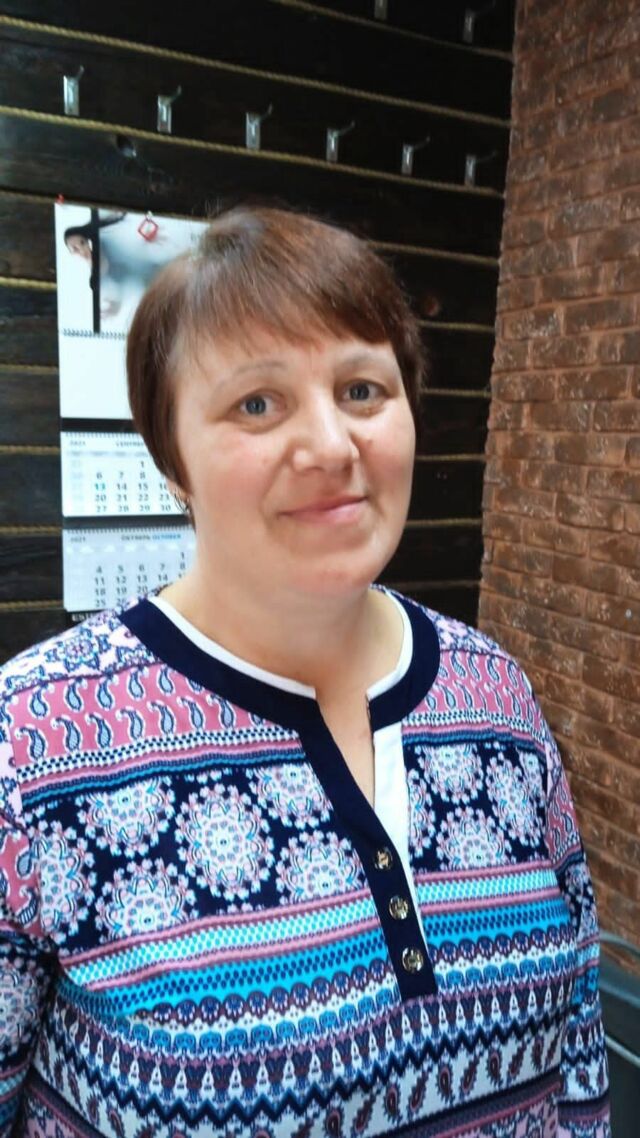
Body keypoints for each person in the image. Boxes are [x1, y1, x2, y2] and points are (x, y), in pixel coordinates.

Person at [0, 205, 610, 1138]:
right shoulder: (34, 741)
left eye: (362, 390)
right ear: (171, 458)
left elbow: (579, 1054)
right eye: (257, 403)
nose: (331, 447)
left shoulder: (497, 695)